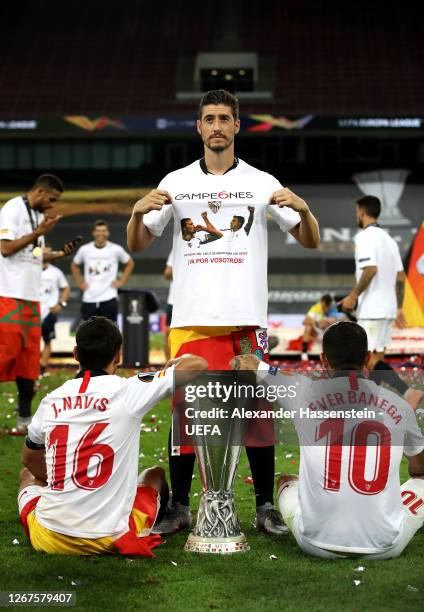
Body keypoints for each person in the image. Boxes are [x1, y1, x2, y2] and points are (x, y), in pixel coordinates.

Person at [127, 89, 320, 535]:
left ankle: (265, 505)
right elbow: (138, 243)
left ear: (237, 126)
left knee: (256, 416)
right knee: (187, 414)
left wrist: (306, 211)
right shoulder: (174, 182)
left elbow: (309, 239)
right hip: (192, 317)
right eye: (209, 118)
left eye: (224, 119)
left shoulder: (263, 182)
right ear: (199, 127)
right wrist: (136, 215)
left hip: (245, 318)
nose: (216, 126)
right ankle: (178, 505)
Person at [18, 316, 207, 556]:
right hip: (109, 537)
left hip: (49, 536)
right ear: (118, 356)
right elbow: (198, 364)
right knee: (155, 475)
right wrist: (172, 365)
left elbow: (28, 457)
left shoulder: (51, 399)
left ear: (75, 353)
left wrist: (58, 480)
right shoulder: (129, 390)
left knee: (27, 476)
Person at [234, 321, 424, 559]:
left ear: (323, 360)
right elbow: (419, 468)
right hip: (386, 546)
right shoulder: (398, 405)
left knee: (286, 481)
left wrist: (265, 365)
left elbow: (243, 362)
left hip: (315, 542)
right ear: (367, 358)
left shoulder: (300, 392)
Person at [0, 174, 76, 434]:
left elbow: (32, 253)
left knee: (28, 361)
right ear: (41, 191)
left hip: (32, 300)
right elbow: (7, 249)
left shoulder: (36, 218)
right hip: (9, 296)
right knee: (4, 354)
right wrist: (39, 232)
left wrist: (58, 254)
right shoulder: (12, 209)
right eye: (51, 200)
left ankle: (23, 421)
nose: (52, 205)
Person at [339, 195, 406, 370]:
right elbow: (400, 276)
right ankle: (376, 397)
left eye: (356, 212)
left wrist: (353, 296)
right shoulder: (389, 240)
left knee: (365, 361)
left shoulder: (364, 237)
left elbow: (370, 269)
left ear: (361, 212)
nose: (356, 216)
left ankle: (406, 391)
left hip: (372, 309)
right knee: (377, 358)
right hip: (388, 309)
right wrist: (399, 307)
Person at [71, 219, 135, 322]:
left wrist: (121, 281)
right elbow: (74, 265)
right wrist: (80, 283)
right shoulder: (85, 249)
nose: (101, 233)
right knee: (88, 332)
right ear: (93, 233)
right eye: (98, 230)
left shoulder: (116, 249)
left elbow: (130, 263)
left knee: (110, 331)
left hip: (109, 297)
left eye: (104, 231)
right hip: (89, 297)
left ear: (108, 233)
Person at [39, 246, 70, 375]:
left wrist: (61, 304)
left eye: (47, 252)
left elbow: (65, 288)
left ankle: (41, 368)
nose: (45, 254)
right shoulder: (30, 269)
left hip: (48, 312)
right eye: (43, 252)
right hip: (31, 311)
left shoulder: (56, 272)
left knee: (47, 340)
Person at [300, 293, 340, 361]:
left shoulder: (334, 309)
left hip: (328, 332)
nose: (326, 308)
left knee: (332, 322)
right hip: (317, 332)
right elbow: (305, 321)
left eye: (327, 306)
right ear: (321, 302)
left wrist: (327, 321)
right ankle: (304, 352)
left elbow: (339, 320)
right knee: (308, 326)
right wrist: (317, 323)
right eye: (324, 305)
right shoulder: (316, 308)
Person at [163, 248, 174, 362]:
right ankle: (167, 363)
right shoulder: (176, 249)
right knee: (167, 332)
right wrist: (169, 272)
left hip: (193, 299)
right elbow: (167, 274)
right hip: (174, 300)